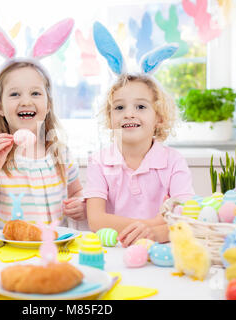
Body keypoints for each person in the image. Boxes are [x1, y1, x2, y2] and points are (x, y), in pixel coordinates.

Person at [84, 22, 194, 246]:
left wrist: (154, 233)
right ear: (110, 117)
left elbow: (187, 218)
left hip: (161, 249)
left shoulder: (174, 162)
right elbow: (95, 219)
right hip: (113, 251)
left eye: (141, 107)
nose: (129, 114)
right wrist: (153, 224)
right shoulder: (99, 162)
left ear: (159, 117)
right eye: (120, 108)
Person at [0, 19, 87, 228]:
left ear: (48, 104)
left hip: (55, 249)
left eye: (35, 93)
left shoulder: (61, 154)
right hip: (9, 254)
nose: (26, 101)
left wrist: (80, 203)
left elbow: (76, 191)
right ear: (0, 108)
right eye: (15, 94)